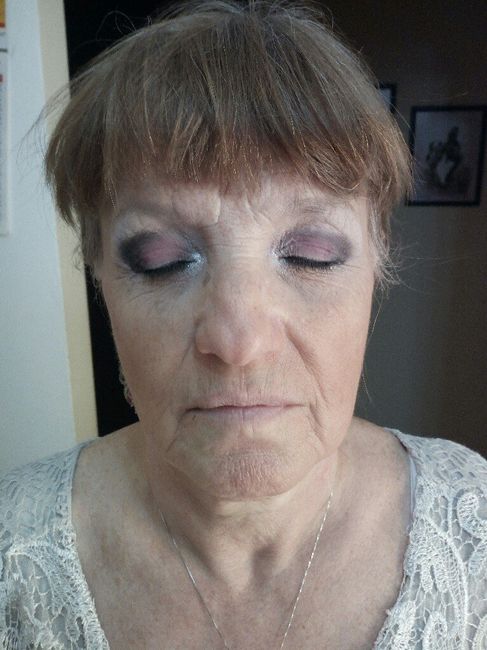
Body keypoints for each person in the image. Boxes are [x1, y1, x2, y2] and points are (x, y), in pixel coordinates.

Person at [1, 1, 486, 648]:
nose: (239, 343)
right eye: (162, 260)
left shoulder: (474, 534)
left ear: (378, 266)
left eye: (309, 254)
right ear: (99, 278)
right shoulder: (12, 551)